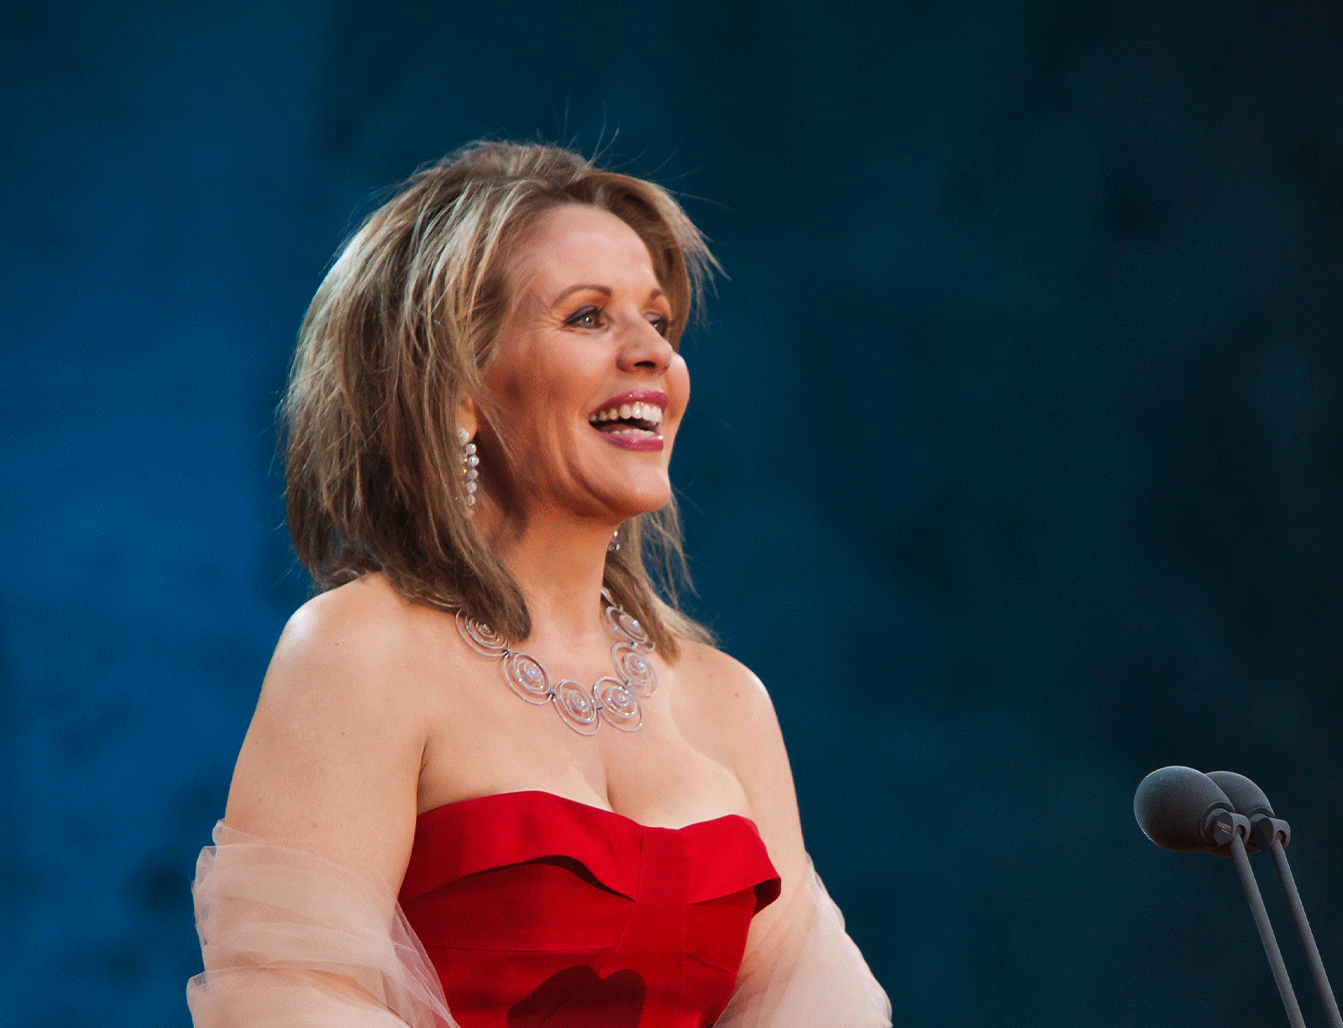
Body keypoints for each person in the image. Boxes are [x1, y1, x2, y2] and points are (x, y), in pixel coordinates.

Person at [187, 141, 892, 1028]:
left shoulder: (729, 702)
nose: (653, 354)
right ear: (459, 389)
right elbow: (291, 999)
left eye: (658, 321)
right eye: (588, 317)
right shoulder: (359, 653)